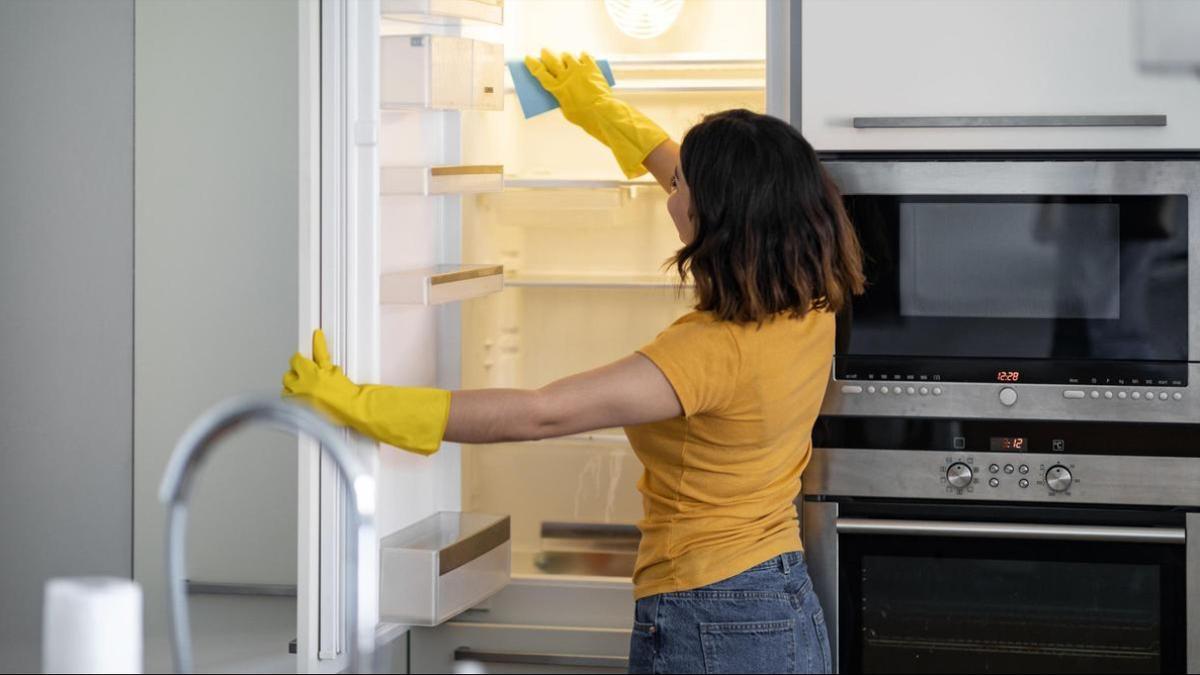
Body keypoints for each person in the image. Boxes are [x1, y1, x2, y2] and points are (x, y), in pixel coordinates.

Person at [283, 49, 864, 675]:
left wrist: (365, 404)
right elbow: (671, 162)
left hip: (712, 613)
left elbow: (539, 414)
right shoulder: (813, 298)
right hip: (781, 596)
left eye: (684, 187)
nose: (673, 189)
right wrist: (597, 107)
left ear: (715, 218)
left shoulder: (708, 353)